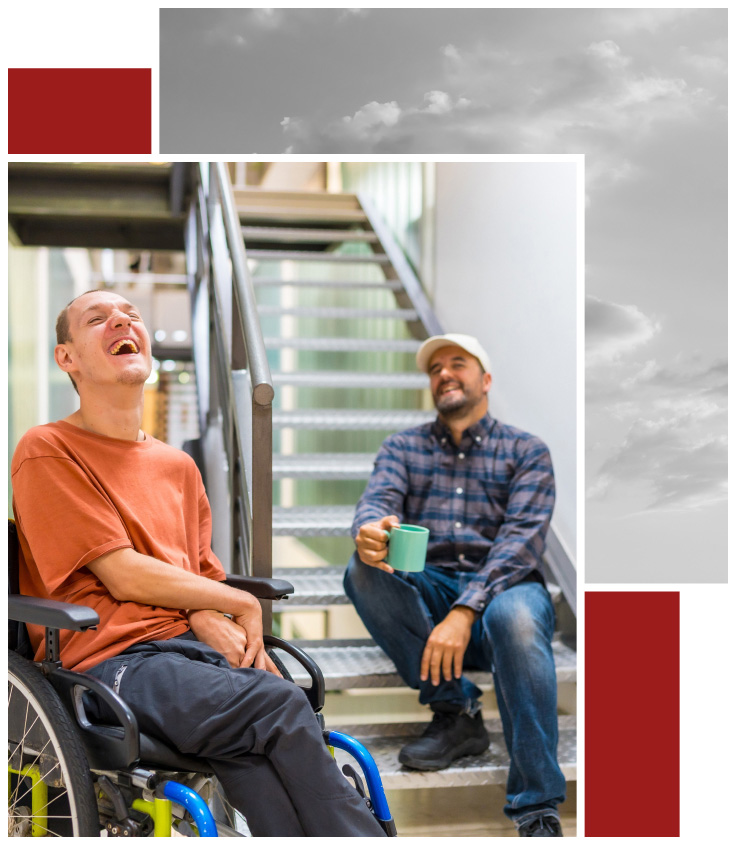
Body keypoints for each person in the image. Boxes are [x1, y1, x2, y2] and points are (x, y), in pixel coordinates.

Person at [11, 289, 385, 838]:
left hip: (185, 653)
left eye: (130, 314)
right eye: (98, 319)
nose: (122, 319)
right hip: (109, 661)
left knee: (253, 754)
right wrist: (228, 604)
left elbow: (199, 572)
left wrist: (206, 614)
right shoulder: (47, 449)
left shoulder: (176, 466)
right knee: (276, 705)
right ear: (67, 358)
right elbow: (121, 571)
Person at [344, 333, 566, 837]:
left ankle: (536, 810)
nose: (444, 373)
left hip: (506, 587)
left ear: (484, 381)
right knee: (360, 572)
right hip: (434, 585)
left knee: (517, 617)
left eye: (458, 364)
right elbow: (379, 499)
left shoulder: (527, 451)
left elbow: (520, 544)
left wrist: (465, 611)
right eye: (435, 368)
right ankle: (456, 709)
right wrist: (370, 531)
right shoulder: (403, 447)